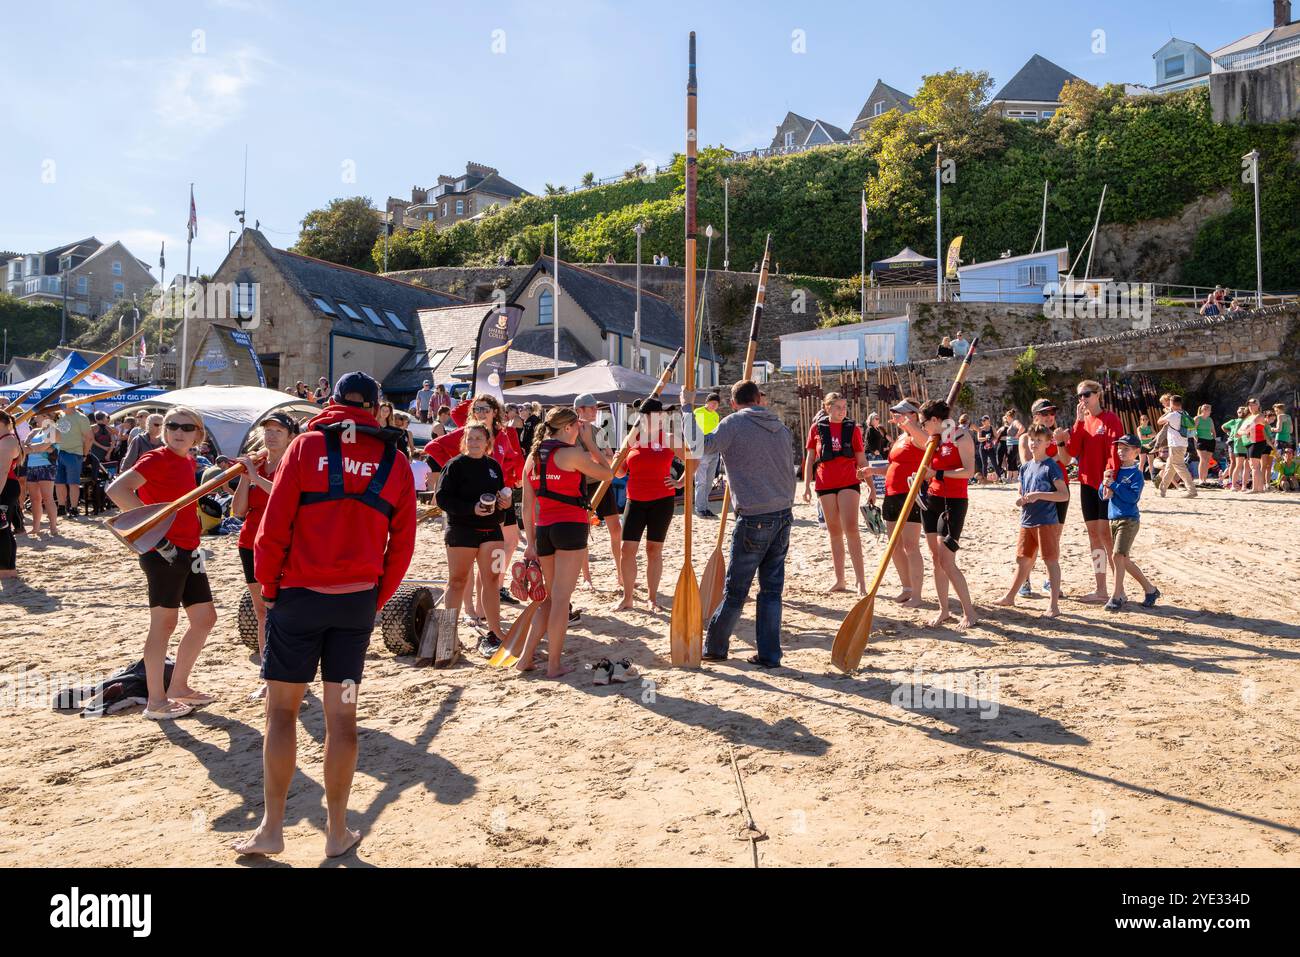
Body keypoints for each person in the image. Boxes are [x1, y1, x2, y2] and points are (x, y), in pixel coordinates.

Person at [234, 372, 416, 859]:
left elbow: (274, 527)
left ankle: (272, 829)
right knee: (342, 720)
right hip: (354, 606)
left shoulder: (306, 447)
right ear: (376, 409)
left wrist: (269, 590)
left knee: (281, 714)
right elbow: (403, 547)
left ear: (331, 403)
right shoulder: (396, 462)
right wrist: (374, 601)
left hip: (297, 598)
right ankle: (337, 831)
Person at [105, 406, 218, 719]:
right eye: (172, 426)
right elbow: (117, 490)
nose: (178, 432)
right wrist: (153, 531)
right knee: (164, 625)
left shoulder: (188, 460)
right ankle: (156, 702)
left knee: (204, 618)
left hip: (190, 550)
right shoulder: (156, 458)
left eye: (185, 427)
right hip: (163, 553)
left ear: (198, 433)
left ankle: (178, 686)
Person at [694, 379, 796, 668]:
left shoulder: (733, 423)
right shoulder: (781, 427)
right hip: (783, 513)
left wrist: (687, 409)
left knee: (737, 590)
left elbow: (698, 447)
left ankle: (714, 647)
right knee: (771, 590)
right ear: (759, 400)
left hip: (755, 516)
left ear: (735, 402)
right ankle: (769, 655)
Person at [517, 407, 613, 677]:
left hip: (543, 528)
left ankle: (525, 658)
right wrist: (591, 443)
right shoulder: (571, 453)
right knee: (561, 600)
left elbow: (526, 506)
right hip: (570, 526)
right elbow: (609, 473)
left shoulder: (533, 457)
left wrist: (530, 543)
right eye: (577, 427)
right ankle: (554, 665)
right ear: (569, 427)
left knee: (549, 599)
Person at [427, 393, 524, 610]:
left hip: (496, 502)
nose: (480, 413)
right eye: (476, 409)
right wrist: (452, 472)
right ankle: (470, 609)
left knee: (505, 547)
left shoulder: (502, 435)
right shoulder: (468, 433)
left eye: (485, 409)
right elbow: (432, 447)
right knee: (466, 564)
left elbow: (510, 458)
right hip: (464, 509)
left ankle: (485, 604)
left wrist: (511, 479)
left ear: (495, 412)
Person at [232, 411, 298, 700]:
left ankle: (291, 674)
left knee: (285, 611)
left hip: (281, 542)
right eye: (267, 430)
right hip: (251, 541)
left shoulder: (293, 463)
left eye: (278, 431)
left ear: (291, 437)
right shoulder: (258, 463)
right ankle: (269, 674)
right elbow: (237, 511)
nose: (271, 435)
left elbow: (285, 497)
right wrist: (245, 478)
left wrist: (256, 477)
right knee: (262, 612)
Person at [435, 423, 511, 657]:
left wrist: (504, 505)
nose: (475, 442)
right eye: (470, 438)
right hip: (462, 529)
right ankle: (449, 634)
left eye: (479, 438)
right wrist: (471, 508)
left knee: (492, 580)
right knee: (457, 581)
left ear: (488, 442)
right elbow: (442, 498)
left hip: (491, 530)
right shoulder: (455, 465)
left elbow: (500, 497)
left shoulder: (493, 466)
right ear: (464, 440)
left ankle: (495, 632)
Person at [914, 399, 978, 628]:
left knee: (947, 560)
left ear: (934, 420)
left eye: (924, 423)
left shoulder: (961, 437)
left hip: (954, 501)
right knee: (936, 560)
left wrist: (937, 473)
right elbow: (918, 445)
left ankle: (969, 612)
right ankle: (944, 611)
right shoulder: (935, 439)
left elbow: (969, 471)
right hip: (932, 500)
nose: (923, 428)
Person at [614, 398, 683, 611]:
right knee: (627, 550)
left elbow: (693, 459)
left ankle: (652, 598)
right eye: (647, 416)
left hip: (662, 500)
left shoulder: (670, 438)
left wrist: (680, 483)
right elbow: (619, 472)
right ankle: (627, 598)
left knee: (653, 550)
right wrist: (616, 459)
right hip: (634, 500)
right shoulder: (632, 441)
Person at [997, 424, 1070, 618]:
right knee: (1022, 560)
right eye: (1032, 440)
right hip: (1027, 520)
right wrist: (1020, 499)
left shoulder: (1051, 466)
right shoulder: (1026, 467)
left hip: (1046, 521)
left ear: (1048, 443)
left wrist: (1040, 495)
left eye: (1039, 440)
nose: (1034, 443)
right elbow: (1022, 492)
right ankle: (1010, 596)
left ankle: (1054, 605)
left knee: (1050, 561)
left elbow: (1063, 495)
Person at [801, 391, 869, 595]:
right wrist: (806, 486)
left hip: (849, 480)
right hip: (825, 483)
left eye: (844, 407)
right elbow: (810, 459)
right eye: (838, 407)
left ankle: (860, 582)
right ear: (827, 408)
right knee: (834, 532)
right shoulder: (816, 428)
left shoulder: (853, 429)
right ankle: (840, 580)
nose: (842, 410)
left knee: (851, 529)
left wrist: (871, 487)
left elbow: (862, 459)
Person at [861, 399, 927, 608]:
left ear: (913, 415)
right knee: (895, 546)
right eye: (896, 413)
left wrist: (909, 424)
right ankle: (907, 588)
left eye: (901, 413)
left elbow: (927, 443)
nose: (896, 417)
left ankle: (917, 594)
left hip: (909, 494)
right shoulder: (900, 437)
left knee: (910, 545)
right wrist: (872, 472)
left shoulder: (919, 436)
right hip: (891, 494)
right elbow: (892, 466)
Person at [1065, 379, 1123, 604]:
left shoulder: (1110, 419)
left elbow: (1114, 452)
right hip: (1087, 483)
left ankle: (1119, 590)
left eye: (1086, 394)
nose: (1082, 399)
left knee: (1106, 537)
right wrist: (1078, 423)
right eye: (1079, 396)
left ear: (1098, 394)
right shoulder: (1083, 421)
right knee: (1093, 537)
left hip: (1105, 484)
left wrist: (1110, 479)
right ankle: (1101, 589)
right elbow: (1072, 451)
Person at [1016, 399, 1073, 598]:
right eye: (1045, 413)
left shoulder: (1058, 435)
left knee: (1054, 537)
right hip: (1035, 493)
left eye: (1052, 413)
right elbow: (1029, 463)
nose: (1050, 417)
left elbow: (1067, 461)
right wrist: (1052, 450)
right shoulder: (1027, 438)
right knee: (1031, 539)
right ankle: (1025, 580)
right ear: (1035, 417)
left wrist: (1060, 443)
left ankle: (1049, 581)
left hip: (1058, 490)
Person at [1100, 435, 1160, 611]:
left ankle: (1117, 595)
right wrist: (1104, 484)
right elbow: (1102, 496)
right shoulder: (1114, 470)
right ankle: (1150, 590)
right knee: (1123, 559)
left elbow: (1133, 497)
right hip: (1113, 518)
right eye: (1119, 448)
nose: (1121, 452)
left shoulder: (1136, 474)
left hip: (1129, 519)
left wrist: (1115, 486)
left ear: (1136, 452)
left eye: (1126, 449)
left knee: (1117, 556)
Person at [574, 394, 623, 592]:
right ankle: (587, 578)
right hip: (580, 484)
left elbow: (609, 460)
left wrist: (600, 457)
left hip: (600, 482)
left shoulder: (599, 430)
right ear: (580, 410)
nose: (595, 410)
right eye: (591, 408)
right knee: (583, 532)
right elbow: (580, 459)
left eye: (596, 407)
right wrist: (599, 457)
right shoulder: (570, 431)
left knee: (616, 529)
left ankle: (620, 573)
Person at [53, 394, 93, 519]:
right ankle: (61, 507)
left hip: (74, 453)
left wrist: (84, 454)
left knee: (73, 483)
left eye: (62, 401)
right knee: (59, 482)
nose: (60, 404)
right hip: (61, 452)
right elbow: (58, 436)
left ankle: (74, 508)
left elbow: (89, 438)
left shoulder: (81, 418)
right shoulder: (60, 417)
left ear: (71, 403)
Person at [22, 412, 60, 538]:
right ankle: (36, 527)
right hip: (32, 466)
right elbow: (24, 446)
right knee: (34, 499)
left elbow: (43, 446)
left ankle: (53, 527)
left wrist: (35, 448)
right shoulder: (34, 431)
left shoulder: (53, 429)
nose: (34, 417)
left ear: (46, 417)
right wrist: (41, 448)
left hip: (47, 465)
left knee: (47, 498)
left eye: (37, 415)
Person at [1158, 395, 1197, 498]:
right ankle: (1162, 490)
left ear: (1171, 403)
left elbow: (1159, 421)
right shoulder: (1185, 413)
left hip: (1175, 445)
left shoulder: (1172, 415)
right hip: (1182, 444)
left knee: (1180, 467)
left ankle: (1192, 490)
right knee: (1169, 468)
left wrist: (1168, 411)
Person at [693, 392, 722, 518]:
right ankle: (700, 509)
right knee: (701, 481)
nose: (714, 405)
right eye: (713, 403)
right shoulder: (698, 412)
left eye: (716, 404)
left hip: (714, 450)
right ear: (707, 402)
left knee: (709, 481)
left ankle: (704, 506)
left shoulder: (716, 415)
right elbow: (691, 430)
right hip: (701, 450)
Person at [0, 411, 20, 580]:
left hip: (4, 487)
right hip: (4, 486)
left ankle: (7, 569)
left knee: (2, 528)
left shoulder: (8, 440)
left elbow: (3, 470)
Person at [1237, 397, 1271, 494]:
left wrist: (1243, 431)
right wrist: (1243, 431)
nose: (1251, 406)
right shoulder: (1249, 417)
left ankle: (1255, 489)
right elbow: (1239, 430)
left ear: (1258, 406)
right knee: (1254, 466)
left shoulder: (1259, 416)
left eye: (1253, 404)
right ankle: (1260, 488)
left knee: (1254, 466)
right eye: (1250, 405)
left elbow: (1247, 428)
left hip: (1258, 442)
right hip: (1250, 442)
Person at [1223, 405, 1250, 491]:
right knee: (1234, 463)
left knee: (1243, 465)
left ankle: (1241, 484)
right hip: (1235, 443)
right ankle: (1233, 483)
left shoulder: (1247, 421)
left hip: (1243, 444)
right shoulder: (1235, 421)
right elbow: (1224, 427)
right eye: (1239, 412)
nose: (1240, 413)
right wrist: (1229, 433)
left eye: (1242, 412)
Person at [1192, 404, 1215, 487]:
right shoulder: (1197, 418)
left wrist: (1214, 438)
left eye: (1208, 408)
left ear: (1210, 411)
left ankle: (1204, 479)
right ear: (1201, 409)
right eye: (1204, 407)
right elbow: (1192, 429)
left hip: (1210, 441)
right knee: (1203, 460)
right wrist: (1197, 439)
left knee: (1208, 461)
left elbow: (1213, 430)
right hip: (1201, 440)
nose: (1206, 408)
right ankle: (1200, 480)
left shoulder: (1210, 419)